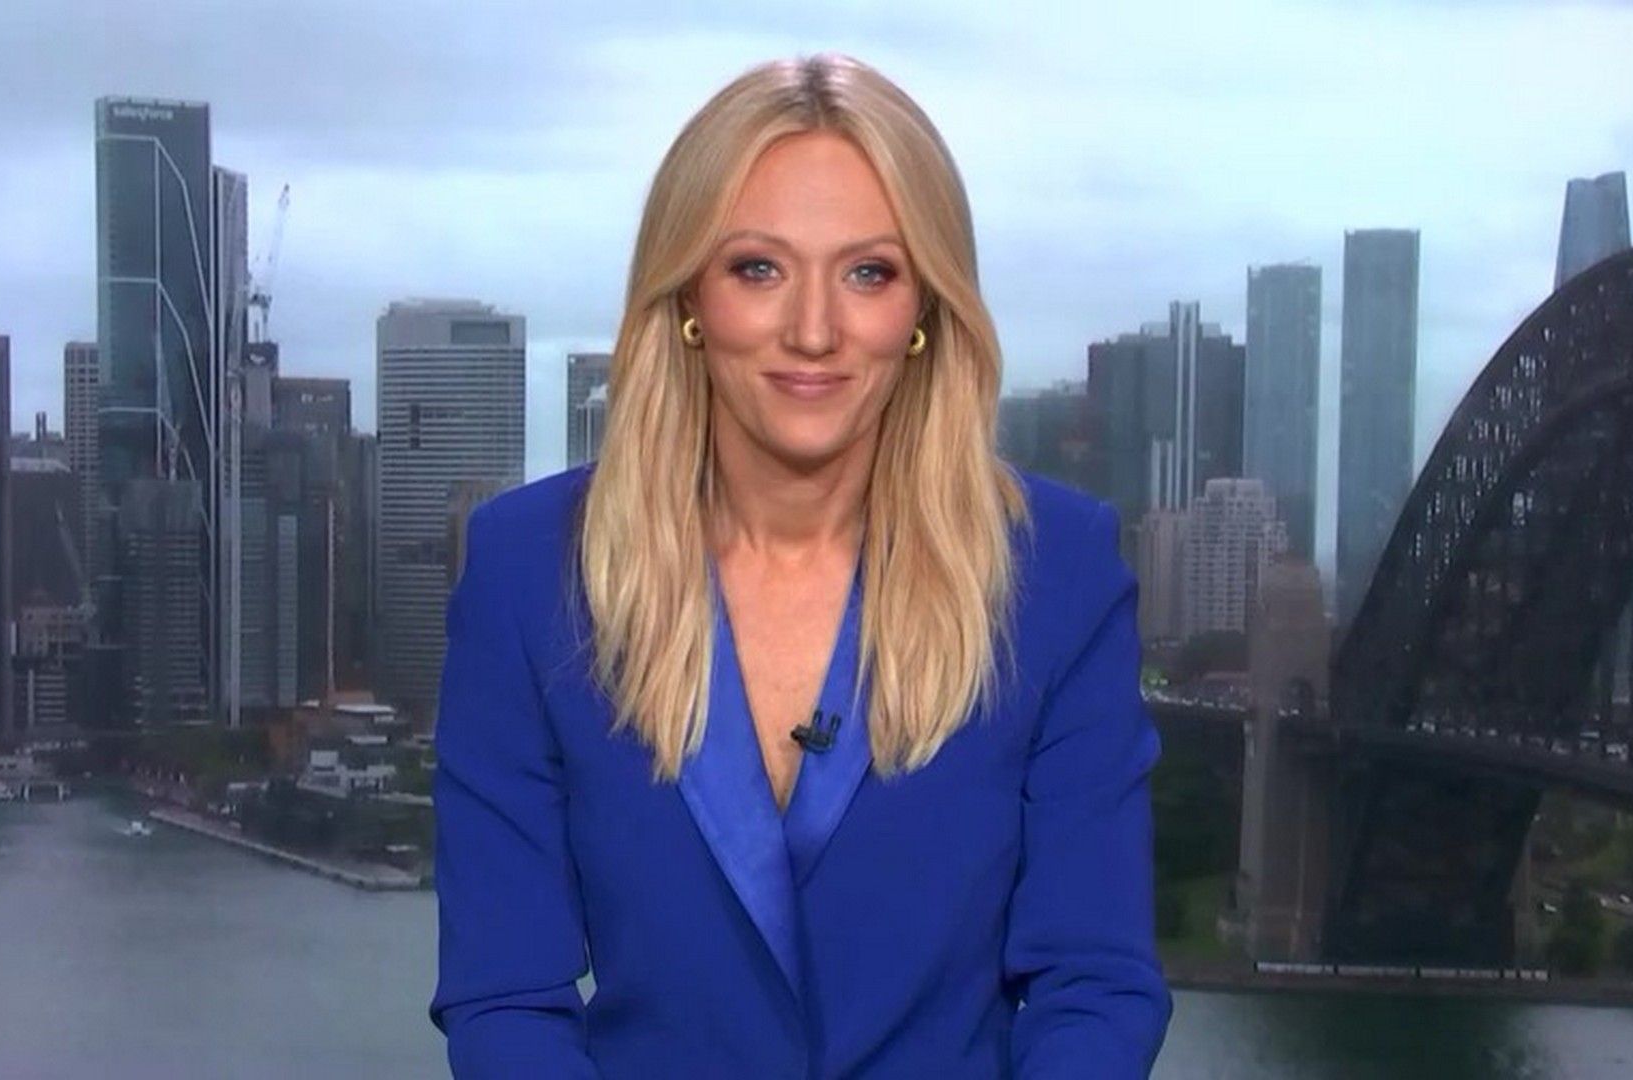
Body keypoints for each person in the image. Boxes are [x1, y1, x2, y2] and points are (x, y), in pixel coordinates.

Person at [429, 51, 1171, 1078]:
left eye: (869, 273)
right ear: (689, 296)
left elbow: (1094, 984)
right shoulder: (527, 574)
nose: (814, 331)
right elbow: (506, 997)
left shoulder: (1060, 575)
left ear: (924, 310)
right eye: (758, 269)